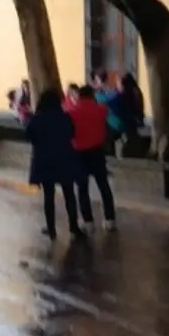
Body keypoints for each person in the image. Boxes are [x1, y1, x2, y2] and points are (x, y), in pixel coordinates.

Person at [27, 89, 86, 240]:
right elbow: (72, 133)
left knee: (49, 195)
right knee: (69, 194)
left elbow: (30, 136)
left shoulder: (37, 118)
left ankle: (51, 228)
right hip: (64, 158)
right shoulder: (65, 117)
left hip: (45, 160)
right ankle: (74, 226)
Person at [67, 85, 117, 231]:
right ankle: (109, 218)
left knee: (82, 188)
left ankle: (88, 220)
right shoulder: (101, 110)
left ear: (79, 96)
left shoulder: (71, 113)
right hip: (97, 151)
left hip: (79, 153)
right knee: (103, 185)